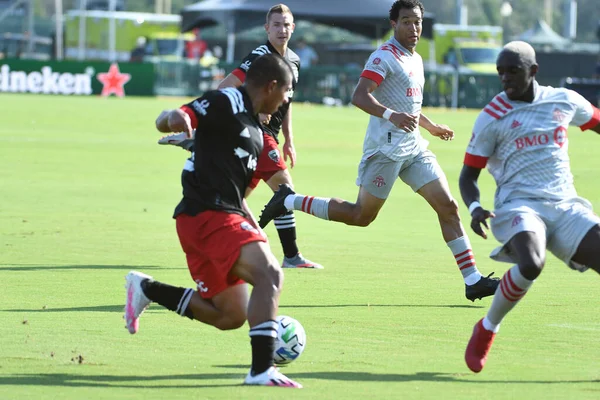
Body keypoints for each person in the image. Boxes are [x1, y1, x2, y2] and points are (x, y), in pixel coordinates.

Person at [258, 0, 499, 302]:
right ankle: (288, 200)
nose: (414, 28)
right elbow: (359, 96)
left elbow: (408, 106)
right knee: (360, 216)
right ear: (394, 24)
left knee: (448, 206)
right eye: (407, 21)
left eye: (418, 22)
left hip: (413, 149)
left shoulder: (416, 59)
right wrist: (391, 116)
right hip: (384, 151)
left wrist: (429, 125)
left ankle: (472, 280)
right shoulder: (383, 57)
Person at [124, 53, 301, 388]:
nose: (288, 98)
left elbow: (236, 186)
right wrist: (173, 118)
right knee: (270, 274)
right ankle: (261, 370)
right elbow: (176, 115)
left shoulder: (256, 130)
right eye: (288, 91)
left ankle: (146, 288)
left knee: (230, 315)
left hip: (211, 217)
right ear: (272, 86)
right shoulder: (227, 99)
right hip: (208, 214)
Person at [459, 41, 600, 373]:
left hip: (565, 205)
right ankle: (488, 327)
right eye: (501, 72)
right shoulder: (492, 116)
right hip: (517, 206)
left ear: (533, 71)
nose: (505, 78)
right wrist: (476, 207)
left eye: (513, 71)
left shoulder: (563, 100)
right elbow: (468, 176)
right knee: (532, 262)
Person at [159, 4, 323, 269]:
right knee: (284, 188)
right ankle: (291, 256)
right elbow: (225, 88)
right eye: (277, 25)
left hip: (267, 136)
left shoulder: (294, 59)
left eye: (286, 25)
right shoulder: (260, 57)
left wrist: (289, 138)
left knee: (233, 199)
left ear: (293, 27)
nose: (282, 30)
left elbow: (287, 102)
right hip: (255, 133)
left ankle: (209, 238)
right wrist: (254, 113)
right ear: (267, 28)